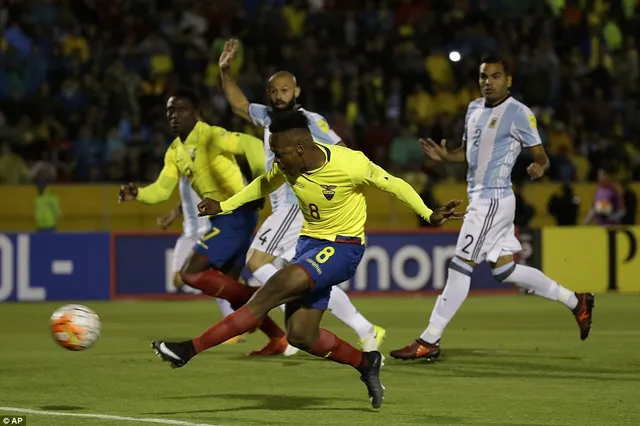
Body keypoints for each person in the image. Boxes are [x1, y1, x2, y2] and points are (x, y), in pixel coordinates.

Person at [150, 110, 464, 409]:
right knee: (301, 335)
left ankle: (189, 349)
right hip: (309, 246)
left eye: (279, 153)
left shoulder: (349, 163)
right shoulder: (288, 166)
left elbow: (392, 183)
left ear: (300, 148)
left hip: (343, 248)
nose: (275, 160)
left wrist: (428, 213)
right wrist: (224, 205)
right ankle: (365, 361)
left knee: (270, 292)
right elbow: (263, 183)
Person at [389, 56, 595, 362]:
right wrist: (447, 157)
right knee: (505, 270)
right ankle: (575, 300)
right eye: (484, 76)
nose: (489, 81)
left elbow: (541, 155)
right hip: (482, 199)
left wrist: (540, 167)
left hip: (492, 200)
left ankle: (428, 340)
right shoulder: (473, 108)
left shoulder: (519, 113)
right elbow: (469, 154)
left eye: (496, 76)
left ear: (508, 80)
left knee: (460, 266)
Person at [218, 38, 385, 356]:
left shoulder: (311, 122)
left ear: (296, 92)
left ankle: (289, 315)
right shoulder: (268, 117)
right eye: (273, 90)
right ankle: (365, 328)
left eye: (284, 89)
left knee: (257, 262)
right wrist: (225, 71)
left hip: (296, 205)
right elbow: (239, 105)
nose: (278, 95)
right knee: (305, 276)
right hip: (282, 204)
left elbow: (344, 152)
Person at [118, 89, 287, 351]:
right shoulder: (175, 151)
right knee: (231, 293)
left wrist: (258, 185)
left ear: (196, 113)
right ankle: (278, 338)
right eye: (170, 111)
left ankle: (256, 300)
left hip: (235, 214)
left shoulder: (211, 135)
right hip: (223, 219)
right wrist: (138, 193)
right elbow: (162, 190)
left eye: (181, 109)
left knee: (189, 272)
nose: (175, 115)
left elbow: (252, 145)